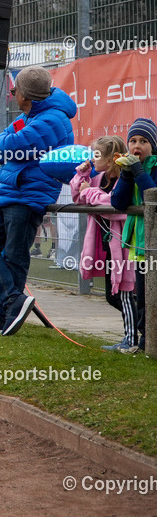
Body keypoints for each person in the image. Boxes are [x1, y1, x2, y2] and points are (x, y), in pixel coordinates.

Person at [0, 65, 75, 335]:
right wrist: (8, 138)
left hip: (27, 196)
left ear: (26, 95)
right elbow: (6, 146)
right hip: (9, 192)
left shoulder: (52, 119)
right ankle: (12, 303)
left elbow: (5, 146)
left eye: (15, 90)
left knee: (15, 257)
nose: (13, 95)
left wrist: (7, 138)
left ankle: (3, 313)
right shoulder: (34, 116)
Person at [72, 135, 137, 353]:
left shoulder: (125, 180)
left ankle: (132, 339)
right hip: (106, 245)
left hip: (124, 246)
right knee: (112, 295)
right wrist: (82, 174)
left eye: (96, 155)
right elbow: (78, 197)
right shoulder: (99, 178)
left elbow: (113, 206)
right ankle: (140, 330)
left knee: (125, 293)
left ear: (110, 160)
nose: (92, 158)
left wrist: (88, 192)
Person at [111, 117, 157, 354]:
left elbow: (152, 194)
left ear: (153, 146)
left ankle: (150, 341)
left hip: (154, 242)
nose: (137, 145)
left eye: (143, 141)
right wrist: (127, 175)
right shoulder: (128, 169)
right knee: (143, 297)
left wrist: (138, 171)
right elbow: (118, 202)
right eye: (133, 141)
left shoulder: (154, 166)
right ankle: (144, 341)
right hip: (138, 246)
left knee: (153, 295)